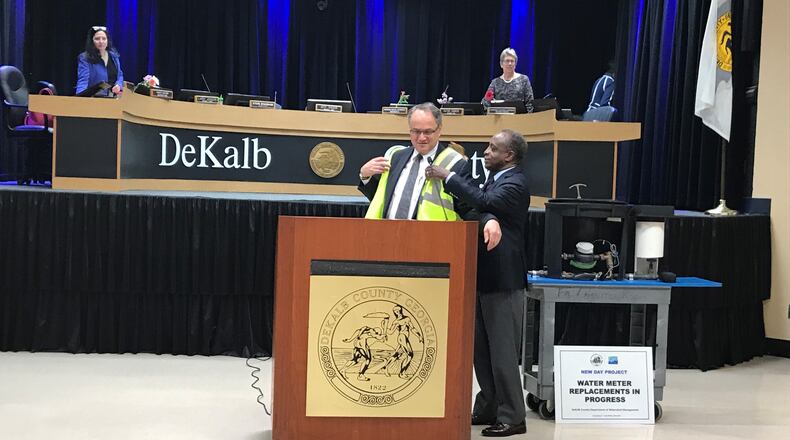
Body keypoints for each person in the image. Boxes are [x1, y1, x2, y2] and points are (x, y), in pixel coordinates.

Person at [426, 129, 531, 437]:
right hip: (484, 278)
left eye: (492, 148)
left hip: (504, 281)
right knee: (481, 352)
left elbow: (486, 202)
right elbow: (477, 208)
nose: (485, 152)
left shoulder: (516, 183)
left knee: (502, 352)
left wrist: (448, 177)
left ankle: (513, 416)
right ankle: (488, 405)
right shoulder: (496, 179)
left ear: (508, 155)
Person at [358, 102, 469, 221]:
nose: (421, 138)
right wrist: (365, 176)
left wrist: (487, 221)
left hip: (431, 236)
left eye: (427, 132)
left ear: (439, 129)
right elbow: (382, 199)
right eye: (416, 131)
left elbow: (467, 208)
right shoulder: (396, 157)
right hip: (388, 234)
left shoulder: (455, 163)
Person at [76, 26, 124, 96]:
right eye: (97, 39)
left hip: (113, 98)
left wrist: (118, 85)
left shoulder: (114, 56)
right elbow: (83, 80)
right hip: (95, 99)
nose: (101, 41)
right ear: (92, 41)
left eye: (104, 39)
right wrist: (79, 98)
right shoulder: (85, 58)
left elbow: (120, 76)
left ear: (108, 40)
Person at [483, 48, 534, 113]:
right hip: (500, 121)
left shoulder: (524, 80)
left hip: (520, 120)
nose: (510, 63)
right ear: (501, 64)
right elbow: (486, 102)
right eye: (507, 61)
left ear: (515, 64)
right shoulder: (495, 83)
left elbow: (530, 104)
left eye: (512, 61)